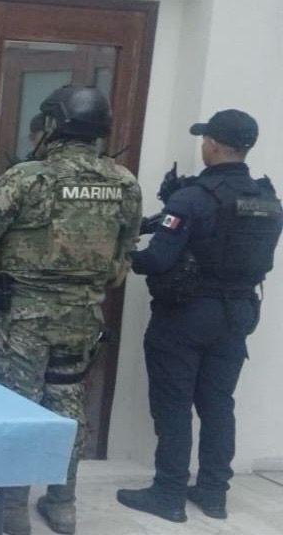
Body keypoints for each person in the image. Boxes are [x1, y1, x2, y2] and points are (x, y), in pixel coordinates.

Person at [0, 86, 142, 535]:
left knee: (18, 407)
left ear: (55, 124)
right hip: (84, 317)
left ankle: (11, 509)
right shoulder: (124, 184)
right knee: (67, 404)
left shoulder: (27, 178)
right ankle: (62, 504)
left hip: (26, 317)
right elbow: (124, 254)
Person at [117, 110, 281, 523]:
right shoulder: (267, 199)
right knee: (218, 404)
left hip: (186, 315)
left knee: (173, 404)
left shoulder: (192, 198)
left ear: (213, 144)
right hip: (238, 314)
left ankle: (168, 493)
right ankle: (213, 493)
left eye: (205, 139)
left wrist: (125, 255)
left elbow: (158, 259)